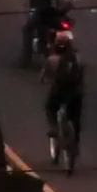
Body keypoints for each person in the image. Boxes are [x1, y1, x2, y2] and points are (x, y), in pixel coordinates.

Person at [41, 24, 86, 154]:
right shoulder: (77, 59)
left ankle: (54, 128)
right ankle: (75, 144)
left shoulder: (52, 59)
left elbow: (43, 75)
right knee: (75, 119)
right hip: (74, 92)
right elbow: (81, 74)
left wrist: (44, 81)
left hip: (58, 90)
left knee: (49, 107)